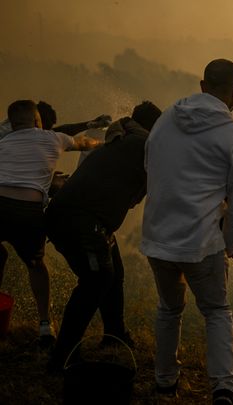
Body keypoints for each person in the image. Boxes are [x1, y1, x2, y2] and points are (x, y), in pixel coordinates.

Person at [141, 59, 233, 404]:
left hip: (158, 237)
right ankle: (223, 389)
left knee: (168, 309)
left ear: (202, 85)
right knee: (217, 311)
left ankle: (164, 384)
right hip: (202, 243)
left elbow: (150, 164)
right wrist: (231, 243)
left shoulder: (166, 117)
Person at [44, 101, 162, 372]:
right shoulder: (145, 146)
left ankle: (114, 334)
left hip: (78, 217)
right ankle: (62, 355)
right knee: (97, 279)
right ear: (156, 129)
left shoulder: (123, 136)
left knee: (113, 270)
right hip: (80, 220)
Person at [0, 100, 100, 344]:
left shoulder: (3, 141)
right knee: (36, 266)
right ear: (38, 122)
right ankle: (45, 324)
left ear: (12, 124)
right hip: (27, 211)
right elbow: (84, 143)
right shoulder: (53, 138)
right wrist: (105, 141)